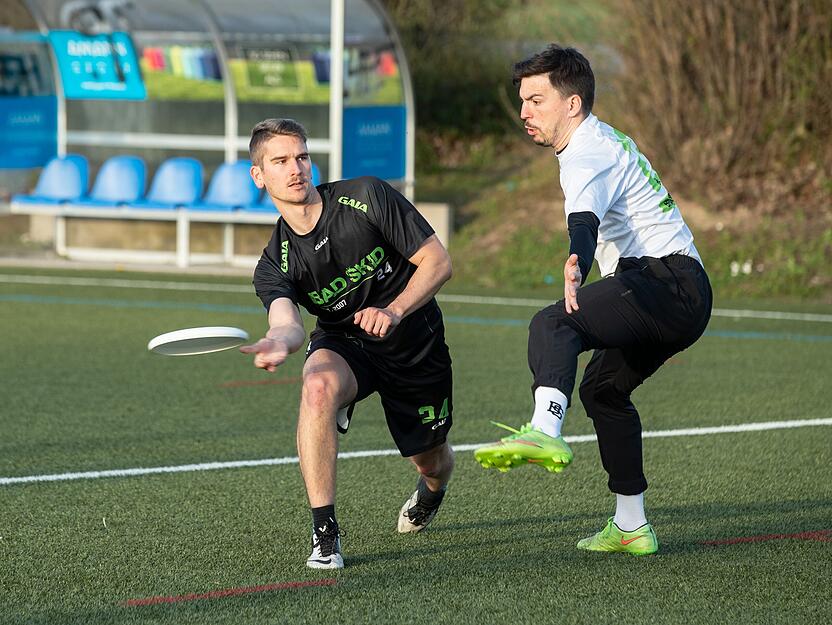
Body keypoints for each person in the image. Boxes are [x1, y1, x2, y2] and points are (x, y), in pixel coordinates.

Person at [474, 45, 712, 555]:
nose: (524, 112)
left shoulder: (587, 150)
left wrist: (576, 262)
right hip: (677, 291)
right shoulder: (598, 142)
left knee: (553, 324)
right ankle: (631, 525)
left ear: (573, 104)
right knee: (602, 391)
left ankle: (544, 430)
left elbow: (583, 222)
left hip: (666, 283)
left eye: (536, 100)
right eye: (523, 100)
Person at [240, 118, 455, 569]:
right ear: (259, 175)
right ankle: (325, 534)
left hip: (414, 343)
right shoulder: (274, 263)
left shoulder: (367, 196)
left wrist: (393, 310)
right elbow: (287, 322)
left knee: (430, 462)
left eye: (301, 156)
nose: (295, 168)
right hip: (345, 342)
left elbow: (437, 262)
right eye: (280, 161)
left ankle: (431, 491)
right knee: (317, 386)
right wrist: (278, 341)